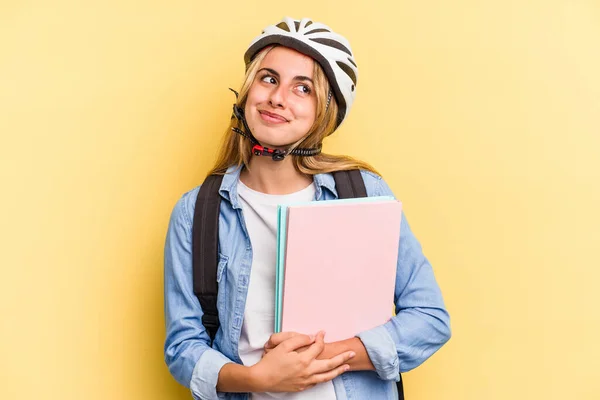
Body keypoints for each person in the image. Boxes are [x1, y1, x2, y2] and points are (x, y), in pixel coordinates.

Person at [164, 17, 451, 400]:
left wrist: (323, 357)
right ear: (248, 90)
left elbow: (430, 319)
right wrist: (260, 379)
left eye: (303, 88)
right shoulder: (197, 212)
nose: (278, 98)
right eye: (268, 78)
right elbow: (183, 347)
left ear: (324, 112)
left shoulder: (364, 193)